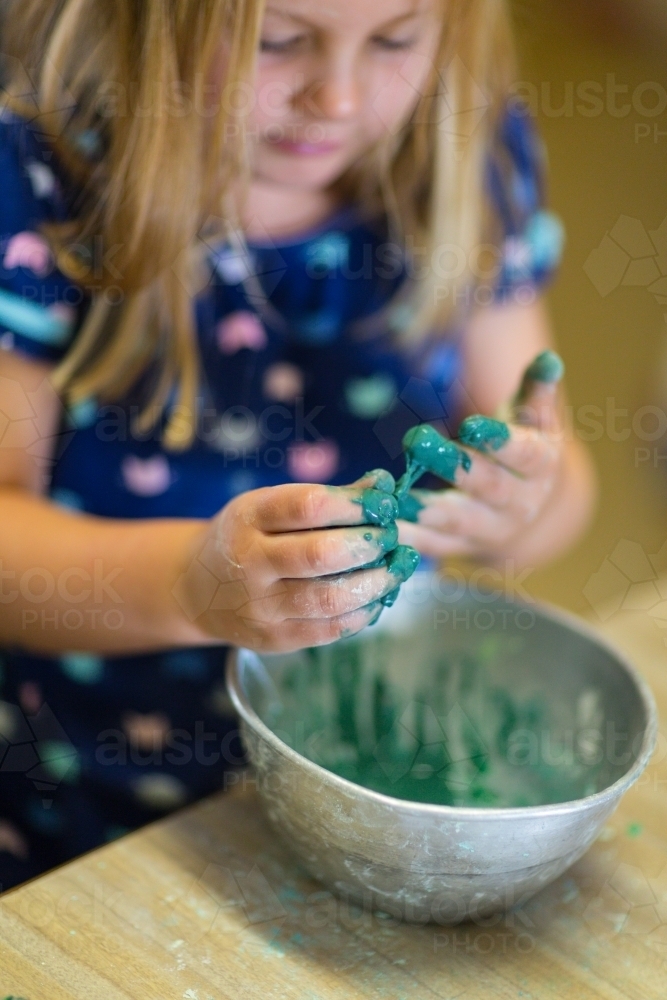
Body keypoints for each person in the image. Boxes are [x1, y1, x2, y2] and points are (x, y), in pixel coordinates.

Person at [0, 0, 595, 889]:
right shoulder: (38, 182)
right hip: (87, 807)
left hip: (362, 785)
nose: (338, 97)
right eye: (275, 42)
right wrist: (187, 588)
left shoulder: (464, 154)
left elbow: (558, 493)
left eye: (395, 39)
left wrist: (519, 507)